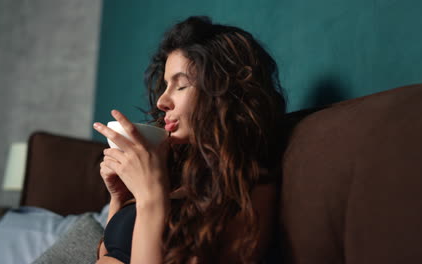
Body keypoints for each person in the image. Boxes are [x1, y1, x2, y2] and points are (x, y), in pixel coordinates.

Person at [92, 16, 287, 264]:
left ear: (224, 94)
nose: (162, 102)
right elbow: (111, 254)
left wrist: (150, 197)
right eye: (165, 85)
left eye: (181, 85)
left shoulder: (252, 191)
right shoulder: (182, 172)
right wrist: (120, 197)